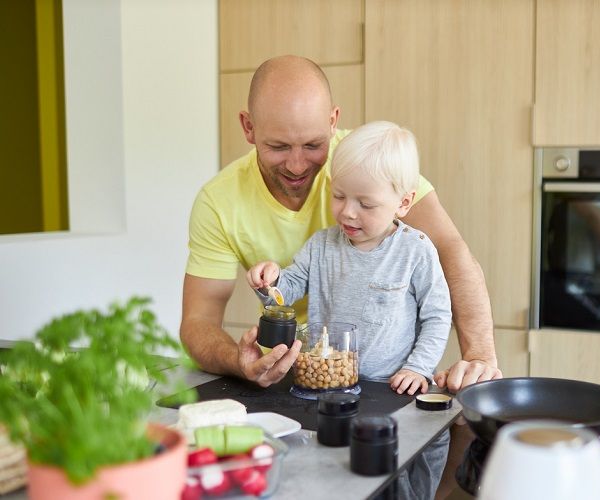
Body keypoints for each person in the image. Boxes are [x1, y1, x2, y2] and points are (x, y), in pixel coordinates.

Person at [180, 54, 500, 391]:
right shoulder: (218, 201)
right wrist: (240, 361)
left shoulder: (367, 163)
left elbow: (451, 251)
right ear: (249, 128)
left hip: (385, 381)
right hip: (305, 371)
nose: (297, 164)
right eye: (278, 146)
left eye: (313, 145)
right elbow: (198, 320)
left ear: (333, 121)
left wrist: (480, 356)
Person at [246, 121, 451, 499]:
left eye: (366, 203)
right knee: (340, 479)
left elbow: (437, 316)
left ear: (403, 203)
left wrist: (418, 368)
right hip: (332, 391)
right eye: (338, 196)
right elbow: (285, 294)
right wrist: (269, 283)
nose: (348, 213)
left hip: (391, 391)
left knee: (406, 472)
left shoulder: (416, 251)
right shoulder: (322, 245)